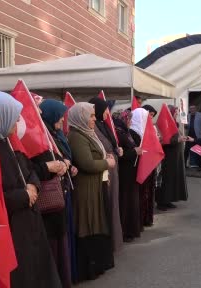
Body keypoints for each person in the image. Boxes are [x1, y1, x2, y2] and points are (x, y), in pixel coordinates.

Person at [0, 91, 62, 287]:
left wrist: (32, 186)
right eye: (13, 115)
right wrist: (23, 195)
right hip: (11, 230)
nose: (18, 120)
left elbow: (29, 170)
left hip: (29, 225)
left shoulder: (8, 141)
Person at [31, 99, 78, 288]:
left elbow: (61, 156)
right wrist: (53, 166)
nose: (61, 120)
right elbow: (33, 166)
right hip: (49, 200)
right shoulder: (39, 136)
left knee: (62, 240)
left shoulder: (54, 134)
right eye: (59, 116)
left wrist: (66, 164)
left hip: (61, 194)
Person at [67, 102, 115, 281]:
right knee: (88, 223)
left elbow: (95, 156)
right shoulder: (77, 136)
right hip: (86, 189)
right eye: (91, 115)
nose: (94, 119)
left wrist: (104, 160)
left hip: (95, 185)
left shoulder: (87, 133)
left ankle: (97, 264)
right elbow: (86, 163)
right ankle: (88, 268)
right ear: (81, 117)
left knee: (96, 221)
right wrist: (107, 163)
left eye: (95, 115)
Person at [89, 97, 124, 251]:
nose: (107, 113)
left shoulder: (103, 125)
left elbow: (111, 144)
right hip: (105, 170)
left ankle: (114, 240)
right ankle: (109, 242)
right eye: (105, 110)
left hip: (111, 168)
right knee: (108, 203)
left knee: (113, 203)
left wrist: (117, 149)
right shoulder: (93, 128)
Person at [114, 110, 143, 242]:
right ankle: (125, 231)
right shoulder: (118, 132)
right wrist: (134, 151)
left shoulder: (126, 131)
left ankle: (131, 229)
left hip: (131, 172)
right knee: (125, 201)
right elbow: (120, 154)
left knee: (131, 201)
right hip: (124, 173)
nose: (131, 122)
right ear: (124, 119)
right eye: (129, 119)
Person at [156, 105, 190, 211]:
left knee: (173, 179)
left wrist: (182, 137)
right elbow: (164, 141)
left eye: (177, 112)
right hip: (168, 158)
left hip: (176, 157)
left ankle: (168, 199)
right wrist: (178, 140)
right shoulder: (164, 124)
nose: (176, 114)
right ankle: (161, 202)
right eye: (175, 112)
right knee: (166, 180)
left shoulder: (175, 124)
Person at [129, 108, 156, 225]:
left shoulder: (144, 130)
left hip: (147, 168)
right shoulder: (132, 133)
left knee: (147, 194)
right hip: (138, 169)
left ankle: (146, 218)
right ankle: (140, 220)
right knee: (140, 196)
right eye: (146, 117)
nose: (148, 120)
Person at [185, 105, 201, 169]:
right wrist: (186, 126)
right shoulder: (188, 115)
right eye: (190, 108)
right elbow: (187, 125)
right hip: (189, 136)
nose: (192, 110)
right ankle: (184, 165)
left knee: (199, 151)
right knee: (186, 151)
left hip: (197, 136)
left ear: (196, 109)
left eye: (193, 108)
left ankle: (200, 166)